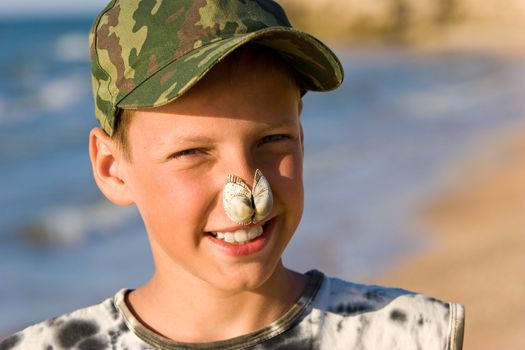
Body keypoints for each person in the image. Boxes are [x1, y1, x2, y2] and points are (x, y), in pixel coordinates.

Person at [0, 0, 465, 349]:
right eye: (193, 152)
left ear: (301, 134)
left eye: (270, 140)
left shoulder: (408, 333)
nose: (247, 191)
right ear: (111, 168)